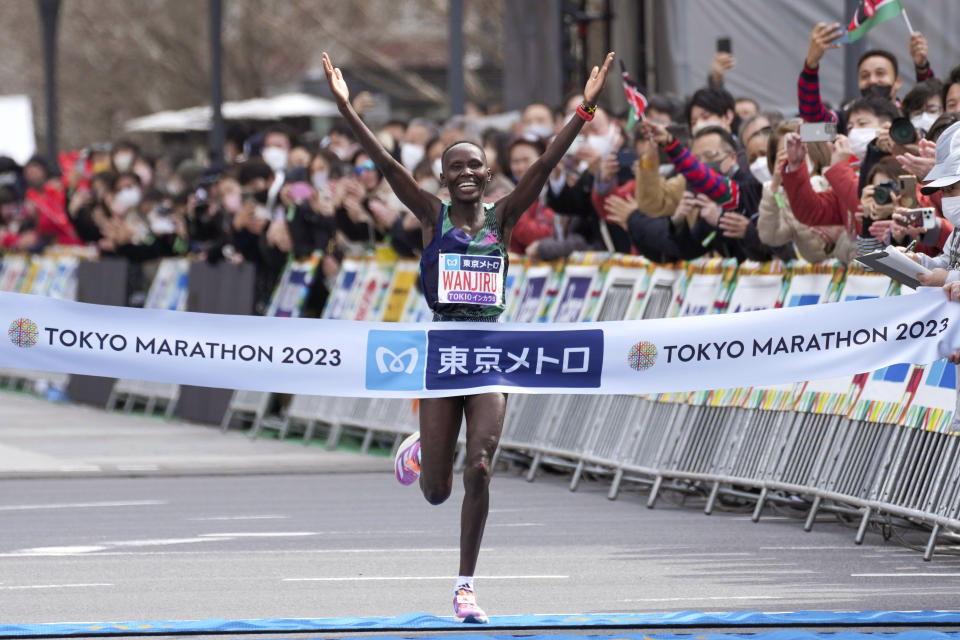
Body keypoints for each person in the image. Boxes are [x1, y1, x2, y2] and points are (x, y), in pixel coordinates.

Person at [323, 49, 615, 623]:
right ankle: (418, 450)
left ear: (486, 175)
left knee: (478, 466)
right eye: (454, 166)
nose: (464, 172)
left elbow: (545, 165)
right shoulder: (431, 217)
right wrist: (344, 109)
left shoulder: (503, 217)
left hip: (491, 355)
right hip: (441, 354)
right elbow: (385, 163)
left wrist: (584, 109)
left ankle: (464, 587)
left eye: (474, 165)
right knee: (436, 490)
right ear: (443, 178)